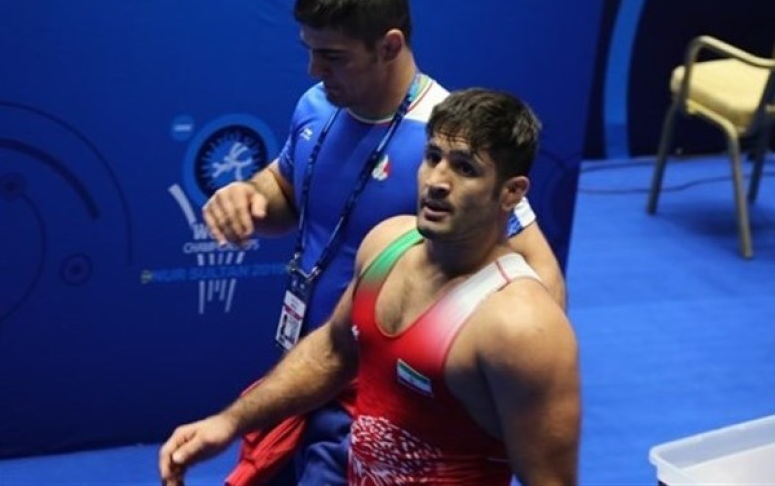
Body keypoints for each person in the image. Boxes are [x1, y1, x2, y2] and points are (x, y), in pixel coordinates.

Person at [201, 0, 565, 485]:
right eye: (310, 51)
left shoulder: (447, 145)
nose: (314, 69)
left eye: (333, 56)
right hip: (305, 368)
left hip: (373, 401)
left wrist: (474, 394)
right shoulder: (316, 106)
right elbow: (289, 193)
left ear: (390, 45)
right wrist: (250, 196)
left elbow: (541, 277)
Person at [160, 88, 581, 486]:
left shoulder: (519, 325)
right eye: (433, 157)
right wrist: (229, 422)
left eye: (465, 168)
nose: (437, 181)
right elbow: (332, 352)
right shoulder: (387, 245)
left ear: (511, 193)